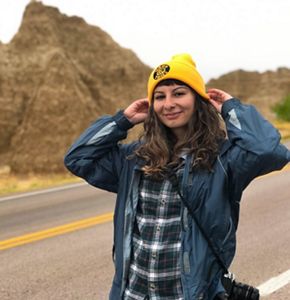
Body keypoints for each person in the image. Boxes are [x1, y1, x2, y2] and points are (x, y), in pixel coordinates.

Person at [64, 53, 290, 300]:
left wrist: (230, 108)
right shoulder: (135, 159)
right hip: (132, 294)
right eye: (159, 96)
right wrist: (122, 121)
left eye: (179, 93)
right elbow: (78, 159)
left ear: (197, 99)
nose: (168, 103)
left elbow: (268, 151)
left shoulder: (223, 160)